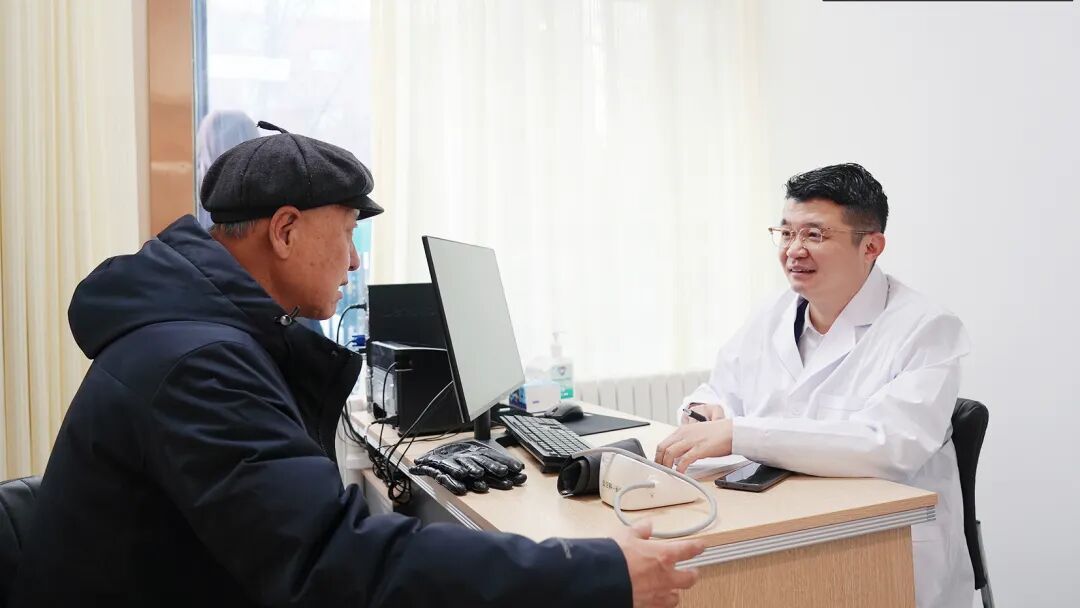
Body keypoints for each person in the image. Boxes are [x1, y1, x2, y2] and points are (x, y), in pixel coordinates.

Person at [9, 123, 703, 607]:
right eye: (345, 234)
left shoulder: (201, 334)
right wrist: (595, 573)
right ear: (285, 230)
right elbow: (332, 561)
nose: (353, 260)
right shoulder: (199, 364)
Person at [654, 164, 973, 607]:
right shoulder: (773, 314)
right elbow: (719, 391)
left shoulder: (925, 327)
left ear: (871, 246)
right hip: (779, 528)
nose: (793, 250)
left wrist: (739, 433)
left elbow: (889, 446)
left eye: (814, 235)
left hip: (882, 550)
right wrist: (704, 413)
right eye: (786, 233)